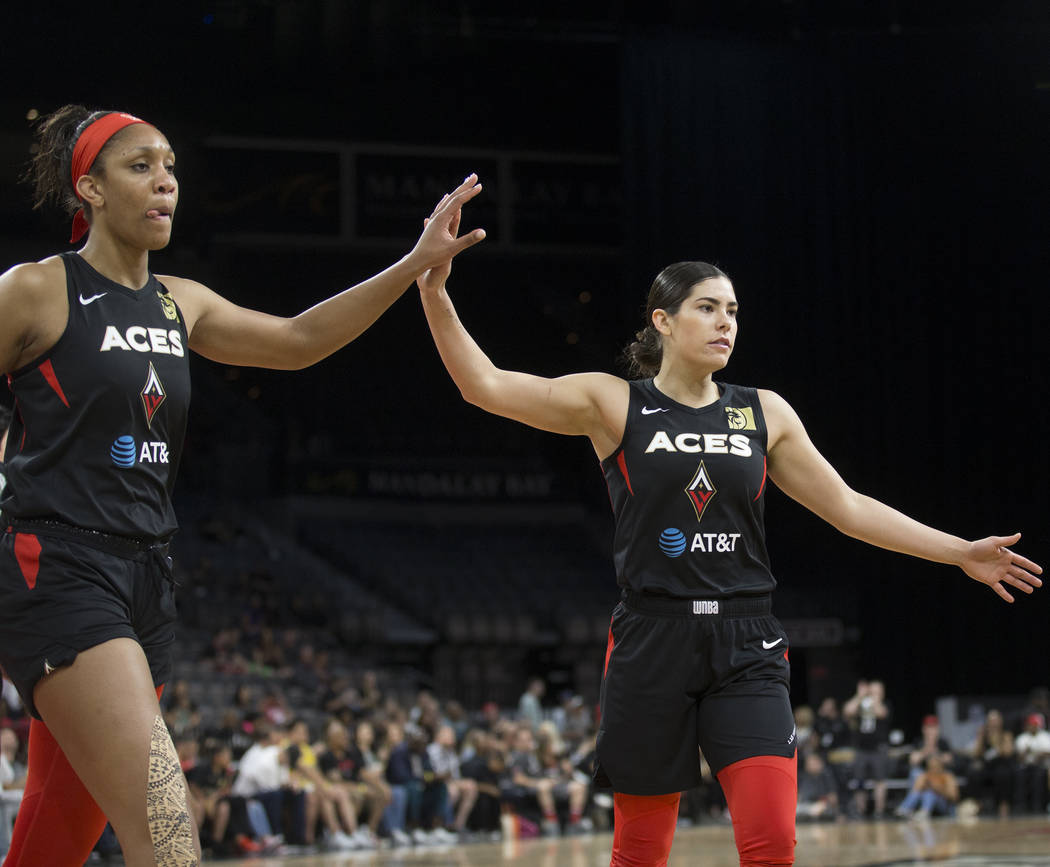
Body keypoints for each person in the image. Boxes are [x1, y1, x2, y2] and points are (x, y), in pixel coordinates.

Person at [416, 254, 1043, 866]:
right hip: (649, 640)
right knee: (639, 852)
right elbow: (485, 385)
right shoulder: (613, 403)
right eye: (707, 308)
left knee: (771, 845)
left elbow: (849, 508)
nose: (726, 323)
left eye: (733, 311)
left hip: (746, 642)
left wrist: (959, 551)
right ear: (662, 321)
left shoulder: (764, 411)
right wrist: (435, 294)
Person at [0, 103, 484, 867]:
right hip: (58, 566)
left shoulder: (179, 300)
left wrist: (412, 264)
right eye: (140, 167)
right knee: (167, 827)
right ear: (87, 188)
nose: (165, 182)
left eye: (170, 168)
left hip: (148, 575)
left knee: (53, 840)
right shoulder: (35, 289)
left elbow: (297, 341)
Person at [843, 680, 893, 818]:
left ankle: (879, 811)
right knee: (859, 781)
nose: (873, 693)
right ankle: (860, 810)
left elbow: (881, 713)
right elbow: (847, 711)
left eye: (877, 691)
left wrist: (875, 699)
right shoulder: (862, 704)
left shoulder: (885, 704)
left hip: (878, 747)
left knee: (880, 780)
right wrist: (859, 696)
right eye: (872, 691)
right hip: (861, 748)